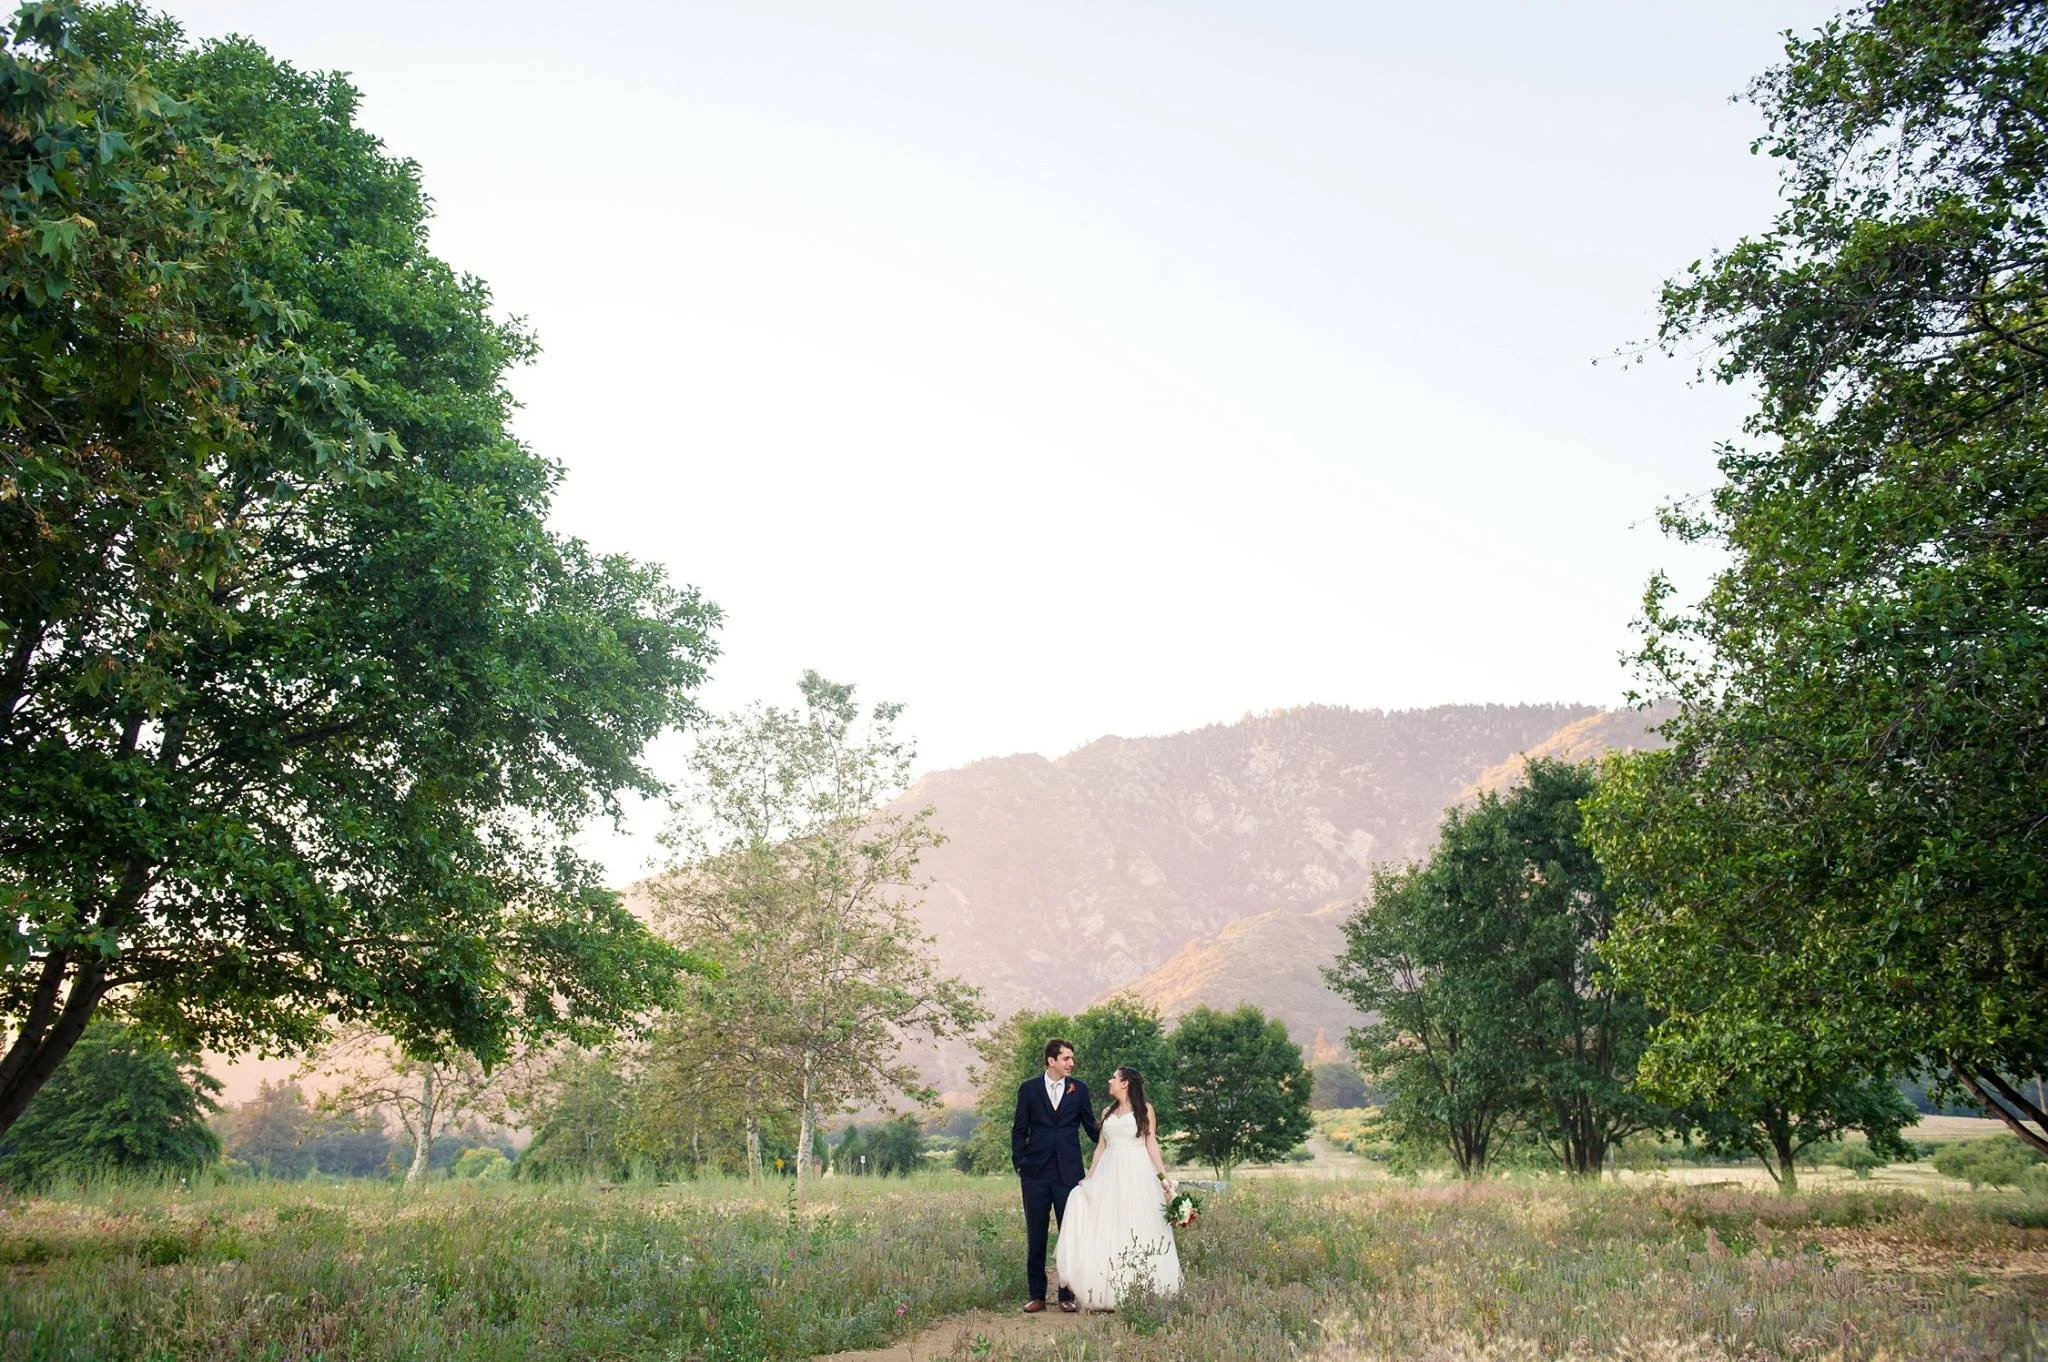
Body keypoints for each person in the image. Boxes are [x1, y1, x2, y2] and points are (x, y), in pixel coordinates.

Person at [1053, 1065, 1183, 1310]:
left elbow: (1151, 1144)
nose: (1109, 1081)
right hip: (1109, 1173)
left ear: (1125, 1083)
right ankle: (1107, 1290)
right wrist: (1089, 1178)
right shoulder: (1107, 1111)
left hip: (1137, 1172)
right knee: (1107, 1225)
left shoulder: (1145, 1110)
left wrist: (1163, 1177)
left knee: (1138, 1225)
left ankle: (1144, 1288)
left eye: (1113, 1077)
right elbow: (1100, 1147)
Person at [1011, 1037, 1100, 1312]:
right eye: (1066, 1058)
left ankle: (1066, 1295)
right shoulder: (1029, 1089)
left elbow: (1091, 1127)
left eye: (1072, 1058)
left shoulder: (1079, 1089)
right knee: (1036, 1233)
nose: (1071, 1063)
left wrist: (1118, 1134)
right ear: (1051, 1061)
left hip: (1068, 1174)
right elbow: (1019, 1129)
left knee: (1069, 1234)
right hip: (1035, 1174)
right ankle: (1037, 1295)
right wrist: (1020, 1164)